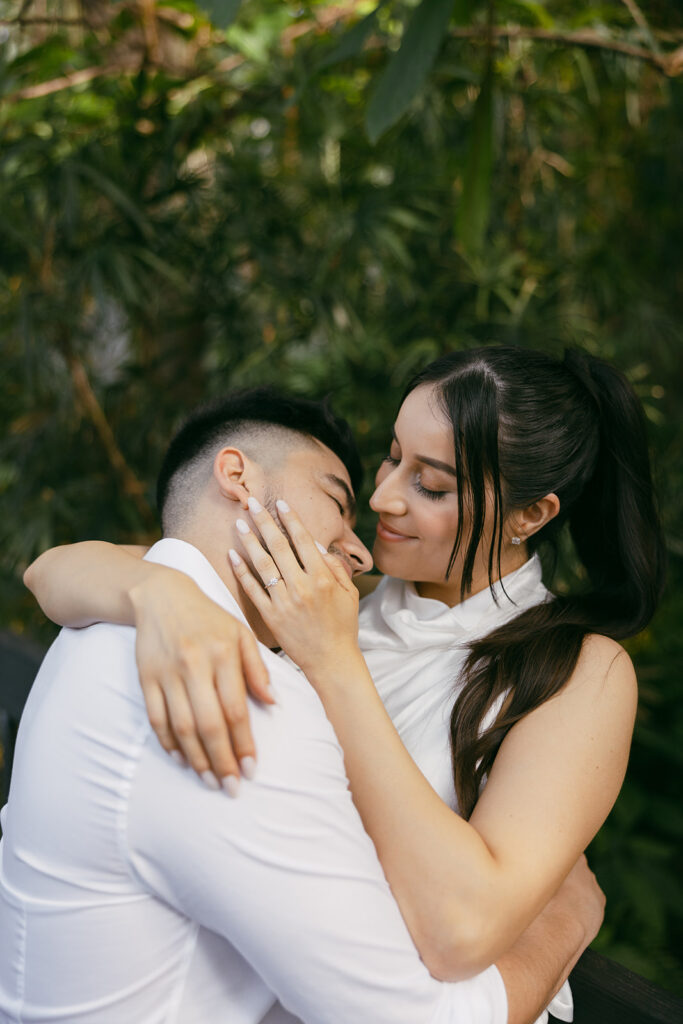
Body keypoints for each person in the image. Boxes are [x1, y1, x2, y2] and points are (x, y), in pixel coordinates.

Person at [1, 388, 602, 1024]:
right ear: (235, 476)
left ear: (529, 515)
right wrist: (569, 917)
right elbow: (49, 570)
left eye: (429, 483)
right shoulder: (234, 676)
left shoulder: (133, 629)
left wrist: (159, 588)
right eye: (390, 461)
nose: (378, 506)